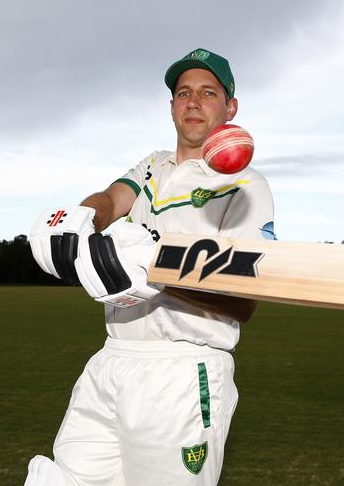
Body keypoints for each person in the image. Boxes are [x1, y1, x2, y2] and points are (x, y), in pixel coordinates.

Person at [25, 48, 274, 486]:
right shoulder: (152, 165)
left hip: (182, 369)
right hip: (112, 358)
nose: (193, 102)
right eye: (183, 93)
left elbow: (244, 301)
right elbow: (109, 201)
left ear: (230, 106)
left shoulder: (245, 185)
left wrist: (155, 275)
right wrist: (79, 221)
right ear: (172, 106)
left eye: (208, 92)